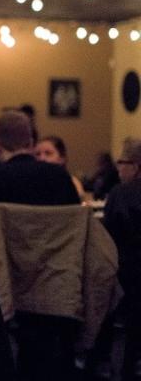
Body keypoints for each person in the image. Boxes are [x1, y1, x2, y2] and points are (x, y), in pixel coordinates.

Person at [0, 110, 80, 229]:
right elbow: (77, 224)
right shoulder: (61, 177)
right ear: (31, 143)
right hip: (58, 248)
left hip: (8, 248)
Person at [103, 138, 141, 380]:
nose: (118, 168)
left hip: (128, 276)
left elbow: (108, 239)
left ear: (136, 166)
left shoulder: (121, 194)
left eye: (122, 163)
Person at [34, 135, 85, 199]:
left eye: (48, 153)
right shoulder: (30, 183)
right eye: (37, 154)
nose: (41, 158)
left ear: (62, 158)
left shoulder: (72, 182)